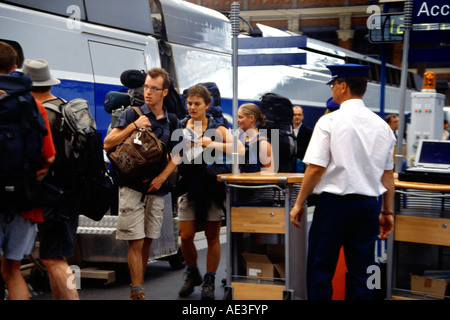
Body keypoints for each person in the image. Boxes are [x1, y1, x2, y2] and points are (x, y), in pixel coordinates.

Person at [289, 63, 396, 300]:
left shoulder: (329, 122)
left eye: (333, 85)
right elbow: (388, 175)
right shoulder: (384, 127)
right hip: (369, 206)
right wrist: (387, 211)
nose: (332, 91)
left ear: (343, 86)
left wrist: (299, 203)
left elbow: (316, 168)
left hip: (334, 206)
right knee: (364, 269)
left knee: (320, 267)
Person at [104, 67, 181, 300]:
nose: (147, 92)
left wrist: (162, 178)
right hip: (131, 187)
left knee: (147, 239)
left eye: (153, 88)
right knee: (135, 241)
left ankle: (138, 286)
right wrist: (134, 126)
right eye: (146, 87)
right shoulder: (130, 113)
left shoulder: (173, 120)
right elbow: (108, 143)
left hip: (156, 190)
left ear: (164, 92)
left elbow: (178, 154)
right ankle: (137, 290)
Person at [23, 58, 83, 300]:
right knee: (57, 256)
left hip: (54, 194)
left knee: (52, 258)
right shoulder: (63, 106)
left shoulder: (44, 115)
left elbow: (43, 159)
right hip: (72, 192)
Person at [0, 43, 55, 300]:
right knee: (12, 271)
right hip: (23, 201)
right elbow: (49, 157)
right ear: (14, 68)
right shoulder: (33, 105)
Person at [176, 84, 241, 300]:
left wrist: (213, 143)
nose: (192, 107)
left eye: (197, 104)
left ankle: (209, 280)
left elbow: (240, 149)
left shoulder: (218, 127)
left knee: (212, 236)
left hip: (212, 187)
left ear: (207, 105)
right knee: (185, 236)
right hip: (189, 186)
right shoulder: (182, 125)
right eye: (189, 103)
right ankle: (192, 272)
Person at [238, 103, 274, 173]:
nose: (238, 120)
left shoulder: (263, 143)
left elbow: (269, 172)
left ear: (251, 118)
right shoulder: (238, 138)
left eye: (241, 117)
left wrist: (245, 177)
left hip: (255, 183)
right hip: (235, 183)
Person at [292, 105, 312, 173]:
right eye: (294, 115)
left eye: (299, 115)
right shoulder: (285, 131)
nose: (297, 117)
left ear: (302, 116)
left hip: (302, 166)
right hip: (287, 166)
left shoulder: (309, 132)